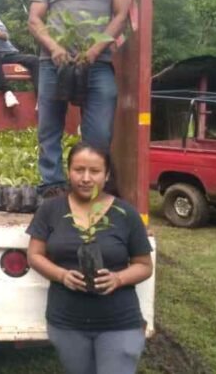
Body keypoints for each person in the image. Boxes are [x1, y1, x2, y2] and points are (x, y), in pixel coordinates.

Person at [26, 142, 153, 374]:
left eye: (94, 171)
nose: (85, 178)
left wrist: (118, 278)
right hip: (66, 321)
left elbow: (144, 266)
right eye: (79, 170)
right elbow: (34, 254)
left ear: (107, 175)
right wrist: (62, 275)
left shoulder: (126, 214)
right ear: (68, 171)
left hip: (119, 322)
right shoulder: (51, 210)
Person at [28, 0, 135, 198]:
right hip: (55, 63)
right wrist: (53, 48)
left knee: (99, 130)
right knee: (49, 127)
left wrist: (96, 50)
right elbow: (35, 19)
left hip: (98, 63)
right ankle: (51, 184)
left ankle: (89, 184)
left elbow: (121, 15)